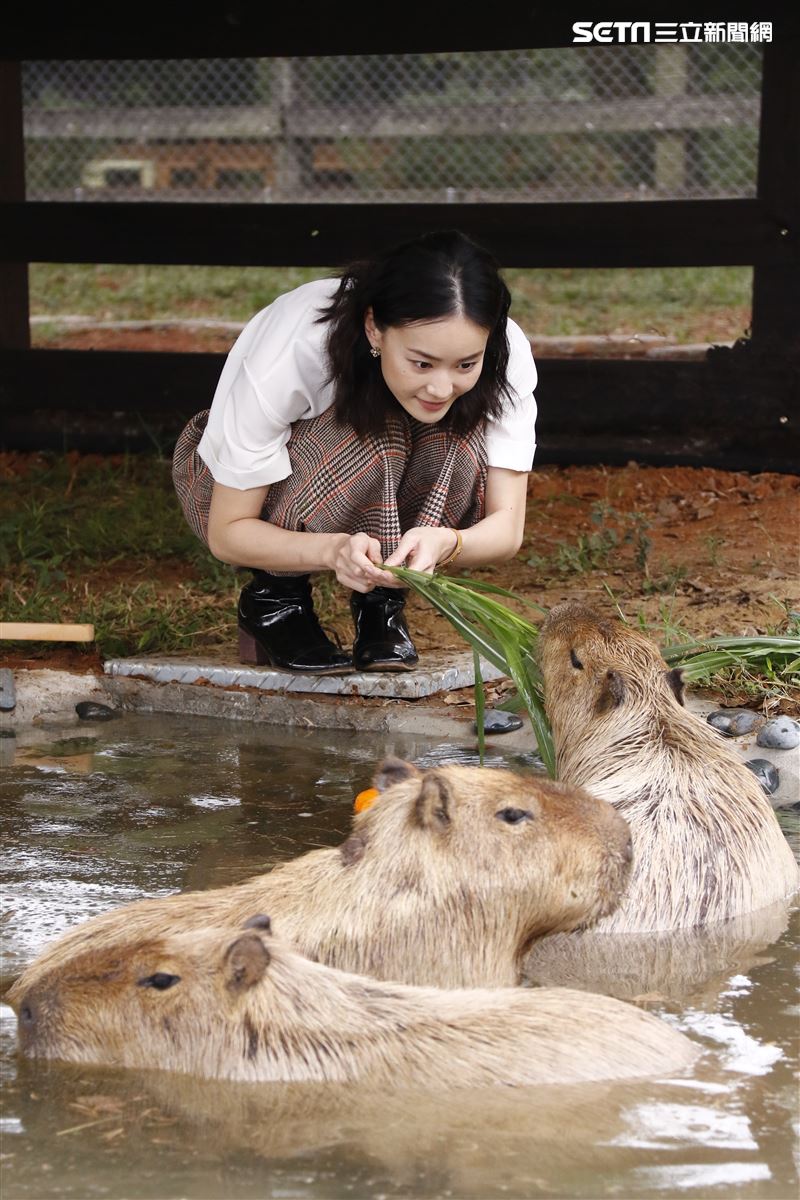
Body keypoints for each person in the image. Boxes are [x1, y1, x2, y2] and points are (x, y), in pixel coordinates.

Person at [172, 229, 537, 675]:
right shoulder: (298, 345)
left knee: (455, 433)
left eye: (465, 365)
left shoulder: (504, 349)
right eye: (421, 363)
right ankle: (275, 601)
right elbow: (228, 532)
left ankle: (381, 601)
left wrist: (448, 542)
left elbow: (508, 528)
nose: (442, 387)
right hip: (238, 491)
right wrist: (332, 551)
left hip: (392, 467)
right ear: (373, 327)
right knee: (378, 441)